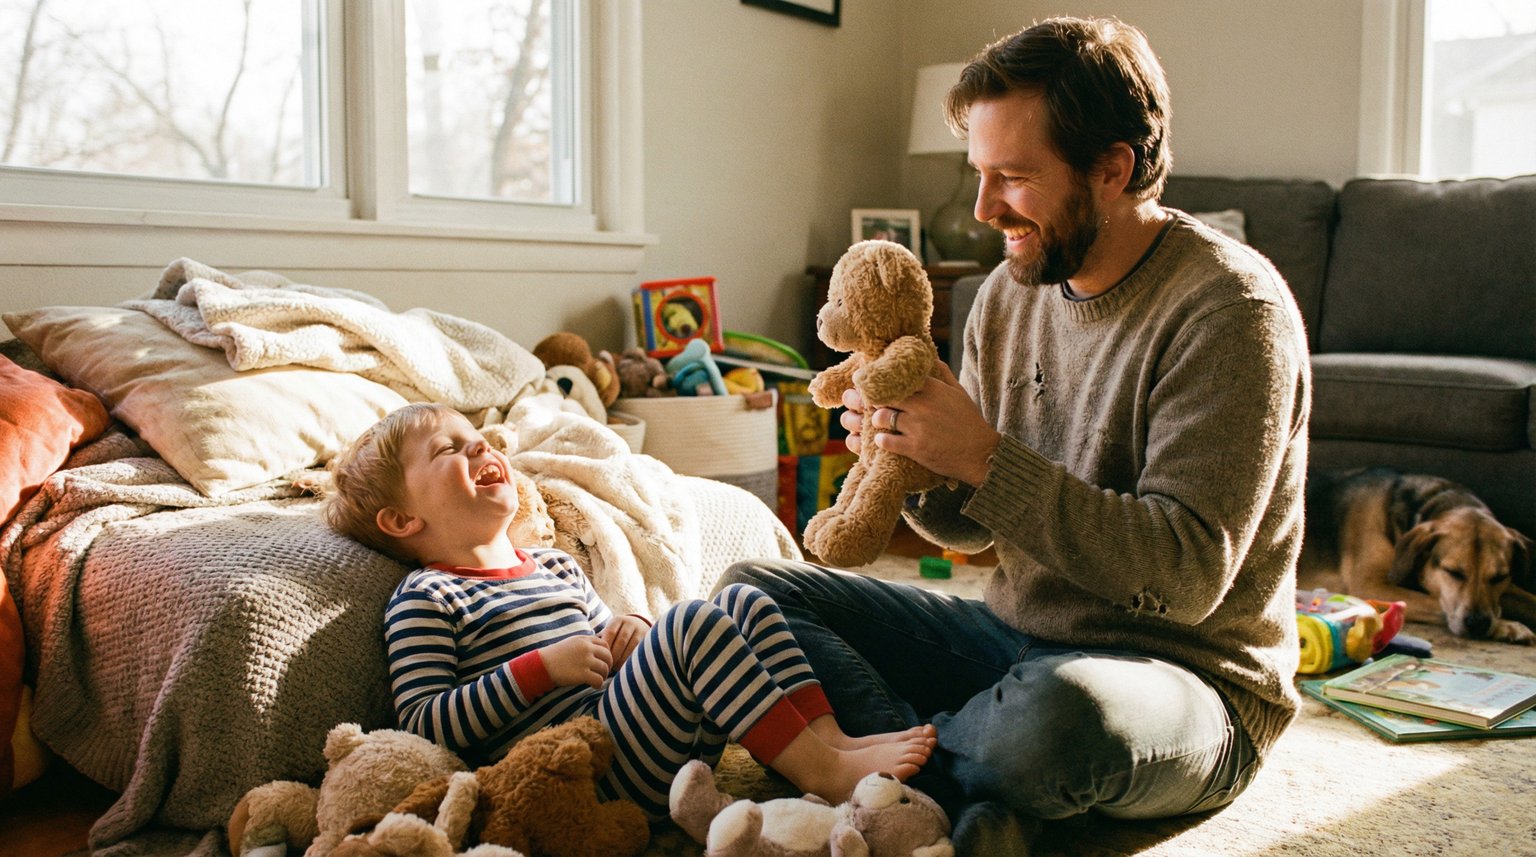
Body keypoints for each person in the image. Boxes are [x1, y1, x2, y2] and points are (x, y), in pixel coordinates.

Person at [720, 15, 1309, 851]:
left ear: (1114, 168)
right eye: (979, 174)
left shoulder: (1229, 311)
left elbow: (1184, 575)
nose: (985, 208)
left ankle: (896, 765)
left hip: (1184, 679)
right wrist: (917, 458)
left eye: (1015, 178)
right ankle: (946, 787)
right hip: (1013, 639)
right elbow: (977, 530)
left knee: (1053, 727)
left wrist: (983, 455)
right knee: (754, 594)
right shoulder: (1006, 293)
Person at [322, 402, 936, 819]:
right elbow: (424, 725)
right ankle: (822, 773)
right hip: (589, 774)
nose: (478, 444)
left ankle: (825, 740)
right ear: (403, 520)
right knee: (692, 623)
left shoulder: (554, 566)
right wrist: (541, 669)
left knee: (744, 599)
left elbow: (615, 647)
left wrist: (634, 629)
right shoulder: (427, 598)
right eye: (448, 449)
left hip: (651, 736)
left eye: (475, 436)